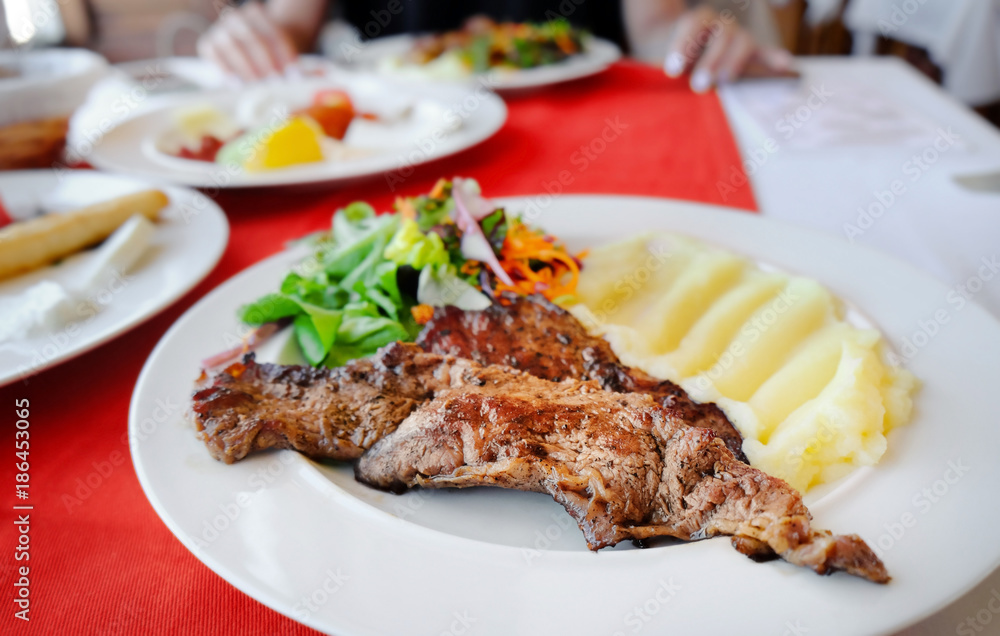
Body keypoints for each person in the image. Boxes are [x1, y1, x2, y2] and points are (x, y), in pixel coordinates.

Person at [197, 0, 793, 92]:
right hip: (405, 131)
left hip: (596, 122)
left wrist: (704, 36)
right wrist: (251, 32)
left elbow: (662, 27)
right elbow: (287, 22)